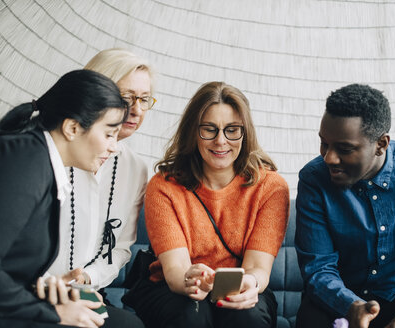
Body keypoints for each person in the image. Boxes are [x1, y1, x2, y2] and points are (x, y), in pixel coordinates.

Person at [0, 70, 141, 328]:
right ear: (72, 128)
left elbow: (5, 262)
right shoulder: (22, 162)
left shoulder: (38, 160)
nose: (114, 146)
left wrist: (46, 287)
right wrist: (54, 314)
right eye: (108, 134)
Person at [122, 81, 290, 328]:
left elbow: (257, 267)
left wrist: (250, 285)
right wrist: (188, 280)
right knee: (192, 315)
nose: (221, 141)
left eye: (232, 130)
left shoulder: (271, 187)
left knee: (247, 316)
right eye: (209, 129)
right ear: (193, 132)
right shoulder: (164, 186)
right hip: (172, 287)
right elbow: (176, 268)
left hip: (241, 284)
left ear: (245, 133)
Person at [294, 84, 395, 328]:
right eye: (324, 144)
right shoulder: (313, 178)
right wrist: (351, 306)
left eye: (344, 148)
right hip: (338, 300)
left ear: (381, 144)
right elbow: (318, 268)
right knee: (311, 316)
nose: (329, 157)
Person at [44, 49, 154, 296]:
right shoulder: (52, 152)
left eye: (144, 99)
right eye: (126, 96)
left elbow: (122, 247)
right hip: (34, 289)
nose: (136, 110)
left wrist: (87, 279)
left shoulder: (135, 169)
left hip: (88, 290)